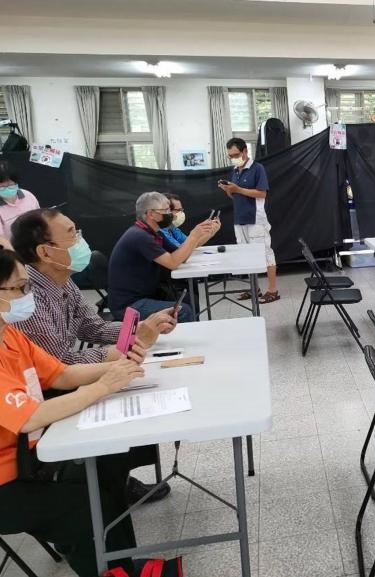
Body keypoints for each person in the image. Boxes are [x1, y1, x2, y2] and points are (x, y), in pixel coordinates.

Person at [10, 208, 178, 504]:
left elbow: (93, 326)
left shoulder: (62, 279)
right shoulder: (28, 296)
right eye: (72, 234)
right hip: (42, 393)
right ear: (45, 251)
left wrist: (137, 331)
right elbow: (59, 365)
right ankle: (104, 490)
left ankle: (116, 481)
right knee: (120, 401)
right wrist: (116, 354)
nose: (80, 241)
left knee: (133, 391)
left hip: (63, 374)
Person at [0, 248, 144, 576]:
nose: (27, 296)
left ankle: (122, 565)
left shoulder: (10, 336)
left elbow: (61, 375)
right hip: (7, 481)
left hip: (32, 457)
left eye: (27, 286)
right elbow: (29, 417)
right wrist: (102, 386)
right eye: (19, 288)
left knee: (107, 468)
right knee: (85, 506)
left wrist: (120, 367)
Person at [108, 192, 216, 322]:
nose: (171, 215)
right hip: (129, 305)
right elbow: (172, 263)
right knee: (183, 311)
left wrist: (201, 235)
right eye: (166, 211)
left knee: (187, 298)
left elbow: (181, 256)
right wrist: (193, 236)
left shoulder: (155, 233)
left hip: (148, 294)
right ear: (151, 214)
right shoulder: (140, 236)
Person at [218, 138, 279, 303]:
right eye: (231, 156)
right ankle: (254, 288)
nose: (234, 158)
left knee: (266, 253)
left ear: (245, 151)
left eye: (236, 154)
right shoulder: (235, 170)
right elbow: (235, 196)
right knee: (246, 255)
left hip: (256, 219)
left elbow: (262, 193)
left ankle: (273, 290)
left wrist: (238, 189)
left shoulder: (257, 168)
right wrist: (228, 190)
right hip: (239, 219)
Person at [0, 159, 40, 240]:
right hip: (10, 246)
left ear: (16, 183)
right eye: (2, 187)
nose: (7, 189)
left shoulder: (28, 195)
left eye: (10, 185)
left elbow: (39, 219)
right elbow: (1, 239)